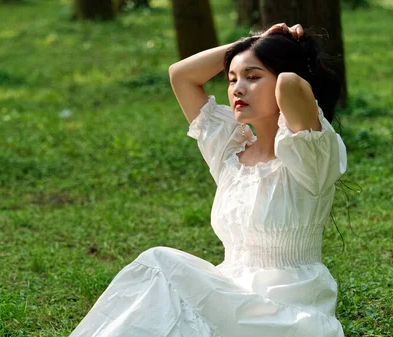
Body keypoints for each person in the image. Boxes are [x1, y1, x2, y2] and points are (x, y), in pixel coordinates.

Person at [70, 23, 347, 337]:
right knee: (160, 288)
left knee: (159, 261)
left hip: (288, 316)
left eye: (253, 77)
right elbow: (181, 75)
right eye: (232, 79)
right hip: (228, 297)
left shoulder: (312, 157)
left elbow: (290, 83)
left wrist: (280, 46)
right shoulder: (230, 153)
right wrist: (253, 42)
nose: (237, 89)